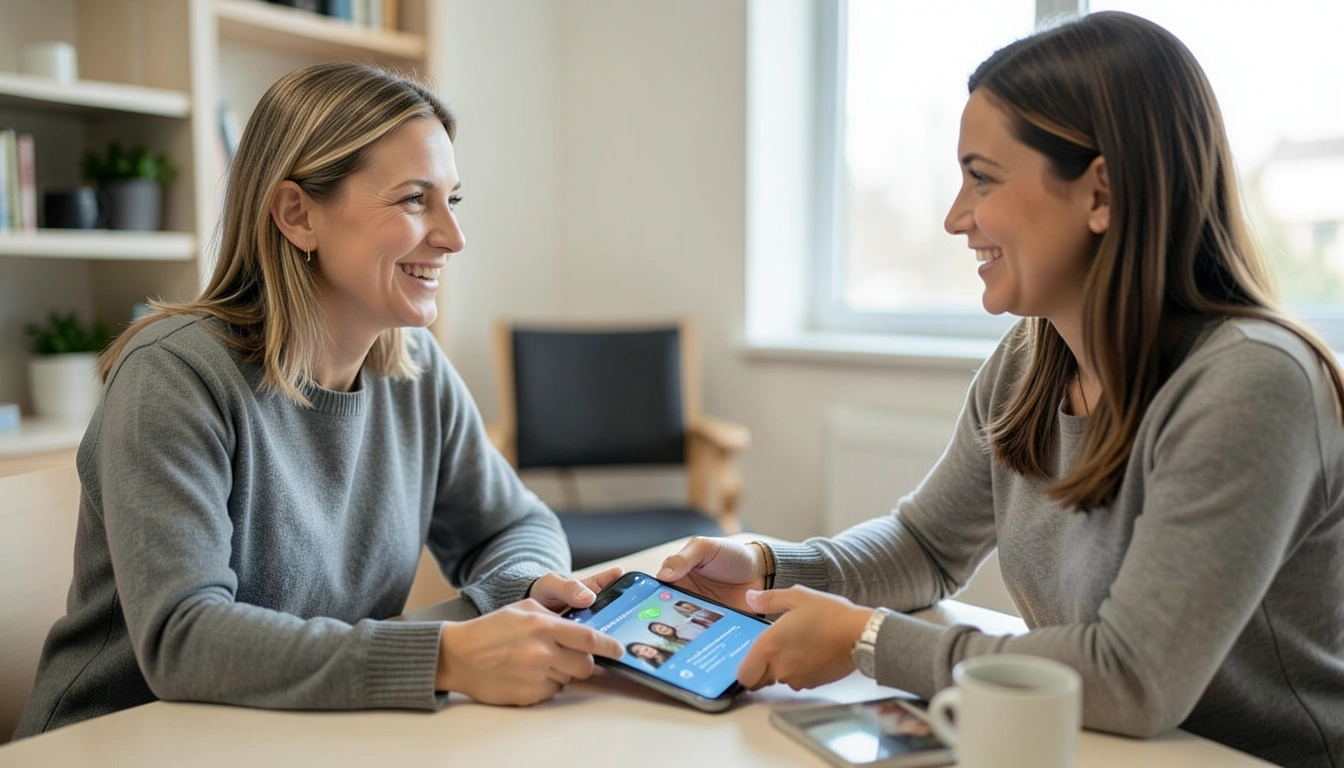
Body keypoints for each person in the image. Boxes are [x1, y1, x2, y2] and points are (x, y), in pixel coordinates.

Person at [657, 12, 1343, 768]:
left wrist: (865, 640)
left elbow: (1132, 678)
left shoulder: (1252, 383)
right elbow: (924, 547)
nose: (956, 218)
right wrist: (770, 565)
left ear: (1102, 193)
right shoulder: (1031, 359)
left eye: (981, 178)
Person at [13, 61, 623, 740]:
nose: (453, 238)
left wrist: (518, 594)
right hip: (117, 742)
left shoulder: (415, 369)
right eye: (414, 200)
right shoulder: (173, 376)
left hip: (305, 732)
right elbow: (184, 639)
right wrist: (446, 655)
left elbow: (516, 527)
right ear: (297, 214)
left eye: (452, 200)